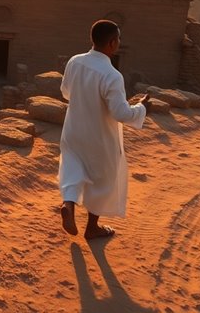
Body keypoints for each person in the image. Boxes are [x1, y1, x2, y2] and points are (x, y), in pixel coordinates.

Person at [58, 19, 151, 240]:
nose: (119, 42)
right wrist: (141, 108)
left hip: (73, 130)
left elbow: (65, 92)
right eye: (118, 38)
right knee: (102, 178)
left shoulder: (75, 61)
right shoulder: (112, 75)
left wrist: (84, 97)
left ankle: (68, 205)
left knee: (73, 168)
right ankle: (92, 228)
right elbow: (120, 113)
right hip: (99, 136)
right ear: (111, 43)